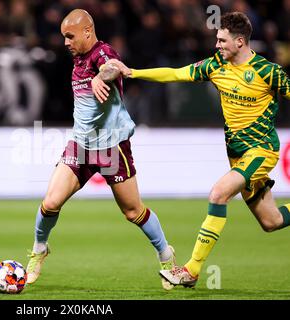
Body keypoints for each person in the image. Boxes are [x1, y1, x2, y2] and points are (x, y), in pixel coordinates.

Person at [97, 12, 290, 288]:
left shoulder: (269, 72)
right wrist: (133, 72)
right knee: (271, 221)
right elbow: (175, 73)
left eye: (222, 40)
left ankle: (191, 270)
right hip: (237, 156)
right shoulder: (215, 67)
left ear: (239, 42)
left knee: (218, 194)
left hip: (261, 151)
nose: (217, 45)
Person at [26, 8, 176, 290]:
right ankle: (39, 250)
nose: (66, 42)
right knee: (50, 203)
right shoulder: (78, 59)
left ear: (87, 30)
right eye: (63, 37)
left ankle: (166, 255)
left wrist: (99, 77)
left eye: (70, 36)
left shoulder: (101, 53)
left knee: (133, 212)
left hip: (111, 148)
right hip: (80, 145)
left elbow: (114, 67)